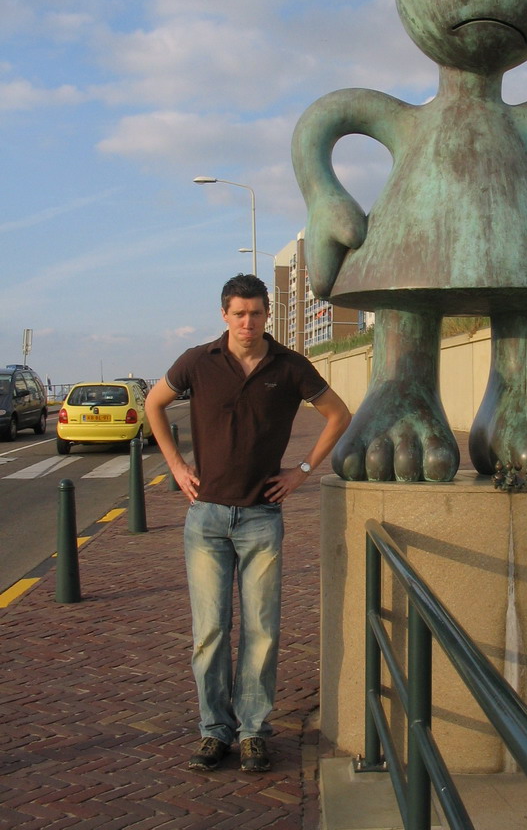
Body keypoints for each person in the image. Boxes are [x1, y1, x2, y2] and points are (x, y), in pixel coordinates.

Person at [145, 273, 351, 773]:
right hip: (207, 517)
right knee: (210, 631)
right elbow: (153, 404)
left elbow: (338, 414)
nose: (247, 322)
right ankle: (214, 731)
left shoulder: (289, 365)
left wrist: (301, 472)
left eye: (256, 313)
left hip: (261, 517)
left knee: (261, 630)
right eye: (239, 313)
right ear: (224, 315)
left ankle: (254, 731)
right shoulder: (198, 361)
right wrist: (175, 465)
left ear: (266, 316)